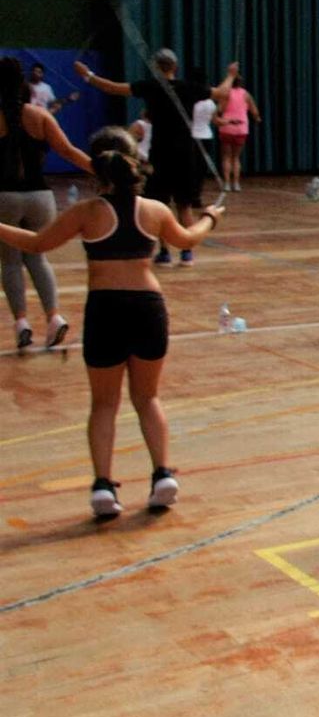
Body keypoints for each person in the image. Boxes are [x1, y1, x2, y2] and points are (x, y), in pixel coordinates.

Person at [0, 128, 224, 516]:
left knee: (104, 404)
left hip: (106, 310)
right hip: (148, 308)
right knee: (148, 398)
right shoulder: (154, 210)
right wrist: (209, 218)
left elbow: (36, 245)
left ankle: (103, 487)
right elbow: (188, 239)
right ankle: (162, 476)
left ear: (97, 168)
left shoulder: (87, 213)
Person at [75, 51, 235, 267]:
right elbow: (222, 92)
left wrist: (88, 75)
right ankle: (186, 253)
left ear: (157, 67)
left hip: (160, 154)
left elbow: (113, 87)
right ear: (175, 67)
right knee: (184, 205)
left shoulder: (151, 86)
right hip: (185, 154)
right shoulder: (189, 88)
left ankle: (164, 252)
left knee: (159, 204)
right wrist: (231, 74)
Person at [1, 57, 94, 350]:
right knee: (38, 258)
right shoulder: (40, 116)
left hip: (4, 198)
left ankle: (21, 323)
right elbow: (68, 151)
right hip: (41, 198)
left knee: (10, 262)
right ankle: (54, 318)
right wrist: (103, 170)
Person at [216, 75, 260, 192]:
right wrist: (257, 118)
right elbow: (254, 111)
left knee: (226, 156)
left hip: (227, 127)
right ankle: (236, 183)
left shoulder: (226, 94)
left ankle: (226, 184)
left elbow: (220, 109)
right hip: (241, 128)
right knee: (236, 157)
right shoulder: (246, 94)